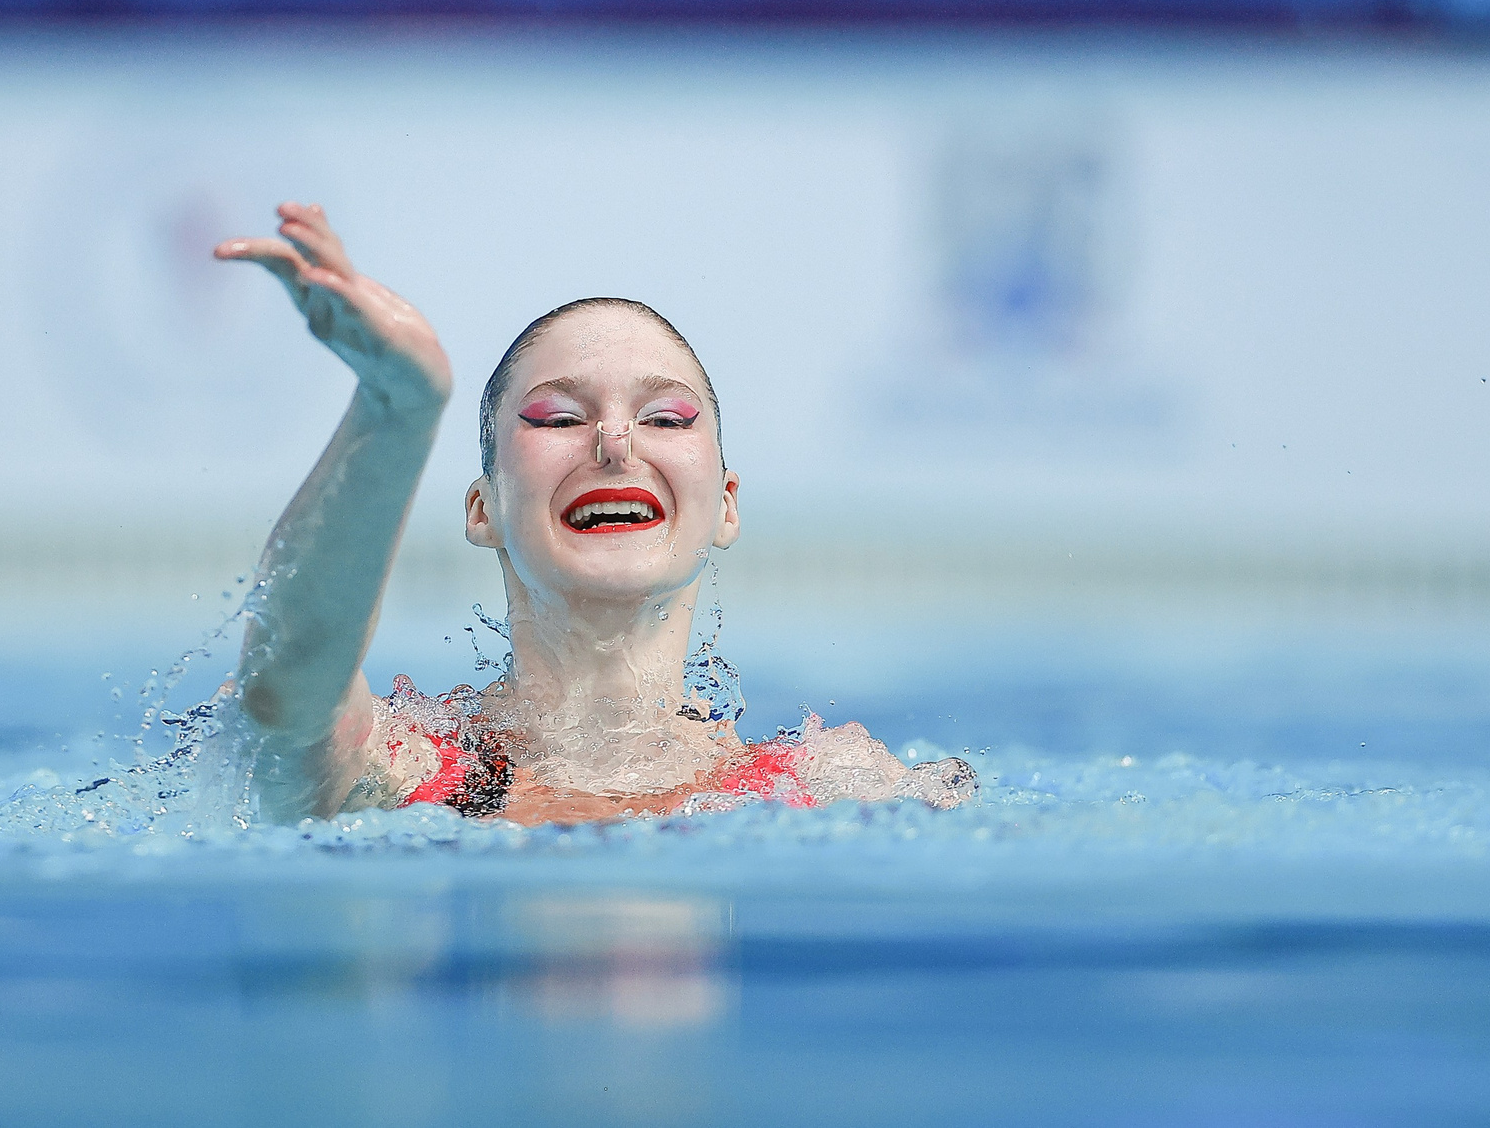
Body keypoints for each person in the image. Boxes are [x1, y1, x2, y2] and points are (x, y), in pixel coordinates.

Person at [215, 202, 978, 825]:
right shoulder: (415, 768)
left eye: (668, 419)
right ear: (483, 508)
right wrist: (397, 409)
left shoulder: (832, 785)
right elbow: (283, 697)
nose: (615, 442)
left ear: (726, 505)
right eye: (555, 418)